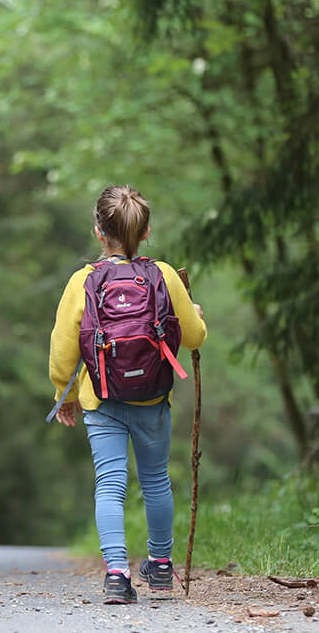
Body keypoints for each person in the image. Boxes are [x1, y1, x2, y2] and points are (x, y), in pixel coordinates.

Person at [48, 185, 207, 604]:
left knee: (110, 484)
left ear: (99, 232)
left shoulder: (83, 281)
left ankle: (117, 573)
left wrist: (63, 395)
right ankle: (159, 567)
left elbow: (63, 348)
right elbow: (193, 336)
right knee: (155, 481)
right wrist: (197, 317)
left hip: (102, 400)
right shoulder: (164, 275)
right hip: (153, 399)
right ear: (147, 231)